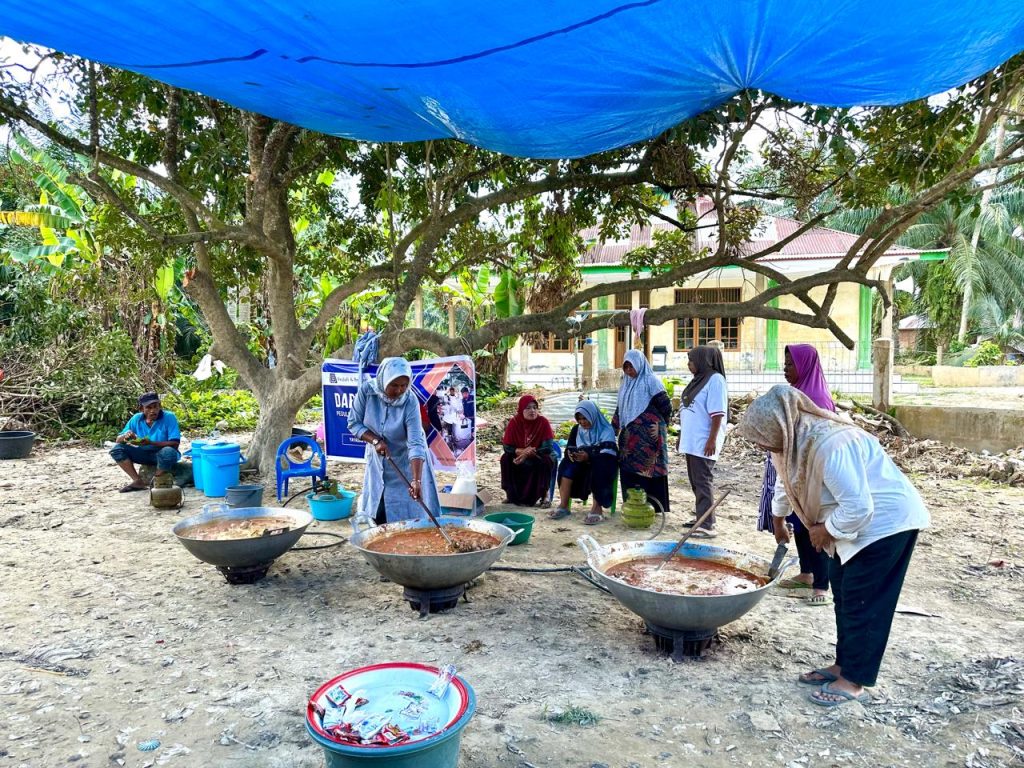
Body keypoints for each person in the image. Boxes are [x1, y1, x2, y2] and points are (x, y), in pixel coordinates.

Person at [737, 385, 929, 707]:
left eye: (761, 437)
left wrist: (826, 530)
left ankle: (853, 681)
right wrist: (778, 518)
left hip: (886, 525)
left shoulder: (830, 445)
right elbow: (788, 481)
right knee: (843, 594)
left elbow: (859, 507)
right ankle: (843, 665)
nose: (759, 445)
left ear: (778, 427)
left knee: (864, 601)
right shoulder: (791, 442)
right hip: (855, 525)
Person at [758, 344, 836, 604]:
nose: (785, 369)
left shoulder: (817, 401)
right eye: (785, 364)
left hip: (814, 473)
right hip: (794, 469)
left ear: (804, 366)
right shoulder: (793, 396)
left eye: (790, 364)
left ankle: (821, 586)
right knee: (799, 522)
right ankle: (806, 573)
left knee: (816, 525)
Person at [348, 357, 440, 523]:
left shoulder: (410, 400)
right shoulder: (367, 391)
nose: (399, 390)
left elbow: (415, 443)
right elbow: (354, 423)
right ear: (384, 380)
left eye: (404, 385)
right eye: (394, 385)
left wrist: (416, 480)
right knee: (379, 505)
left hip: (407, 461)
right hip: (378, 457)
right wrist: (375, 440)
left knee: (410, 512)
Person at [612, 349, 671, 514]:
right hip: (629, 439)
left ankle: (653, 506)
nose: (629, 371)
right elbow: (619, 409)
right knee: (629, 468)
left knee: (649, 469)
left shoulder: (651, 381)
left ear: (639, 364)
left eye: (631, 366)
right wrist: (613, 428)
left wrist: (661, 425)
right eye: (626, 367)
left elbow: (666, 406)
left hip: (650, 438)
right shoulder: (625, 384)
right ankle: (633, 504)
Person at [677, 345, 728, 537]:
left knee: (703, 480)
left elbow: (718, 414)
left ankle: (707, 524)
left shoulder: (715, 380)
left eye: (692, 360)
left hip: (704, 440)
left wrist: (712, 440)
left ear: (703, 361)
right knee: (695, 480)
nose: (689, 364)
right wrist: (681, 436)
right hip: (692, 440)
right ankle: (702, 516)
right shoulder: (697, 381)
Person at [550, 400, 618, 524]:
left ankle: (597, 509)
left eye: (585, 418)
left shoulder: (606, 429)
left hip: (603, 461)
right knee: (566, 464)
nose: (582, 422)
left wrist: (589, 456)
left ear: (592, 415)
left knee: (599, 466)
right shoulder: (577, 429)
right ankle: (564, 505)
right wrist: (571, 454)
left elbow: (608, 452)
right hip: (582, 461)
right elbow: (570, 447)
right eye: (579, 419)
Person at [110, 392, 181, 492]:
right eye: (148, 408)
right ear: (141, 409)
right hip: (144, 453)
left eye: (155, 406)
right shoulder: (136, 419)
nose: (153, 411)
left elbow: (175, 443)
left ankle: (157, 478)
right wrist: (126, 436)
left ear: (159, 406)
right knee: (116, 449)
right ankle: (137, 481)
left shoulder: (169, 417)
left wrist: (151, 443)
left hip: (164, 455)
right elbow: (118, 440)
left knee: (168, 451)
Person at [500, 395, 555, 506]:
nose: (532, 411)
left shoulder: (543, 422)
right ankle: (511, 495)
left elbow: (548, 447)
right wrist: (521, 451)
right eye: (528, 408)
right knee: (505, 458)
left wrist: (530, 452)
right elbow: (507, 447)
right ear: (521, 409)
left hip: (538, 454)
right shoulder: (514, 422)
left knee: (547, 460)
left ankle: (545, 494)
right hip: (519, 455)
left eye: (534, 407)